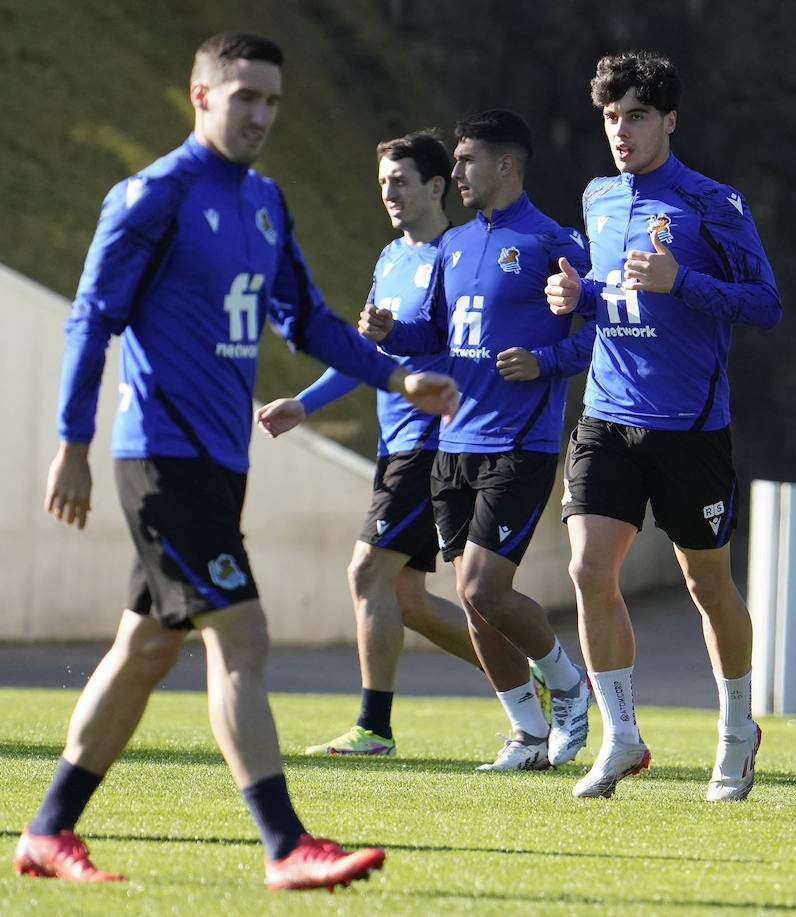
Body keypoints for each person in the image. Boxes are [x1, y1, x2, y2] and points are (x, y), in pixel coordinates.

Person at [18, 32, 458, 888]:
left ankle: (45, 831)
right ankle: (286, 843)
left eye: (271, 100)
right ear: (200, 97)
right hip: (162, 455)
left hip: (218, 461)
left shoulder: (263, 203)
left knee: (145, 649)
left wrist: (398, 375)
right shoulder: (152, 197)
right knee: (243, 636)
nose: (259, 113)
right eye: (244, 96)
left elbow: (312, 322)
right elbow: (90, 320)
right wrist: (71, 444)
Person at [544, 51, 781, 801]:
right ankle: (620, 735)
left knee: (707, 582)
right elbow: (612, 296)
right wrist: (576, 295)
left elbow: (766, 303)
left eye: (636, 116)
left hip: (690, 425)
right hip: (608, 412)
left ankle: (739, 729)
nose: (621, 131)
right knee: (587, 567)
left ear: (669, 120)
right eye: (611, 117)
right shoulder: (597, 197)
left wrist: (684, 281)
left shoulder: (714, 203)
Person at [359, 110, 594, 772]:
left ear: (506, 165)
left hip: (520, 439)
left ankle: (568, 685)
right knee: (469, 597)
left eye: (465, 162)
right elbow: (432, 336)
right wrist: (388, 332)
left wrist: (545, 363)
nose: (455, 172)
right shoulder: (456, 245)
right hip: (453, 440)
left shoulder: (553, 240)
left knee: (488, 585)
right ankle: (526, 730)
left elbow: (599, 326)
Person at [256, 131, 504, 758]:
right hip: (396, 443)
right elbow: (366, 353)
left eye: (401, 180)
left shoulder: (460, 257)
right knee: (409, 602)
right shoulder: (391, 260)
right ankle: (538, 682)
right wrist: (301, 405)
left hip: (433, 441)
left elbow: (461, 346)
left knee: (365, 570)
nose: (389, 193)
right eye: (383, 183)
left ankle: (374, 729)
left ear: (437, 186)